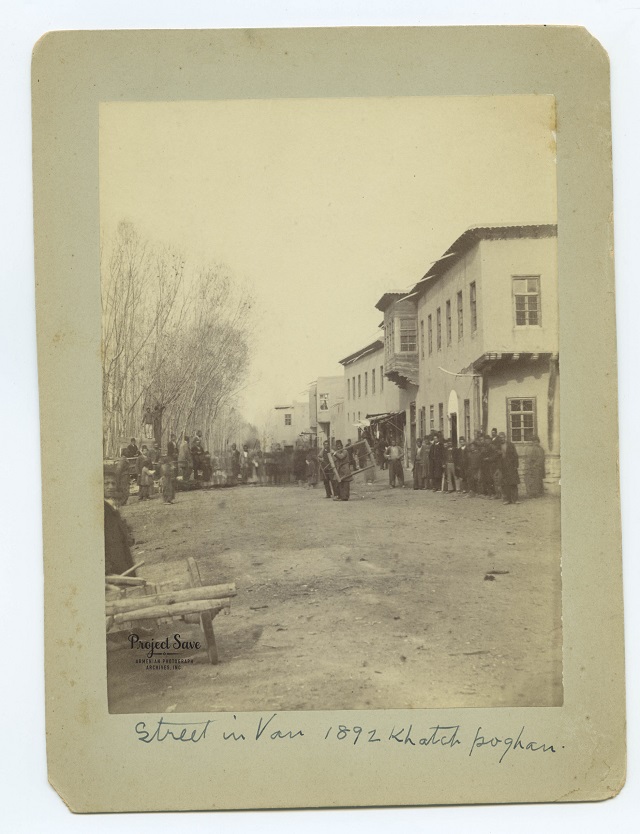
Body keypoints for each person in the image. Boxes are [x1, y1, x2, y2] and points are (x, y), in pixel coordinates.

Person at [499, 432, 520, 504]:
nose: (501, 439)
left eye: (502, 437)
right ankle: (507, 499)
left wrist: (516, 465)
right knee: (505, 484)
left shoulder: (511, 445)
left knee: (513, 483)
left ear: (505, 437)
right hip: (503, 467)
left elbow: (515, 455)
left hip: (511, 466)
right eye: (500, 438)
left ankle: (515, 499)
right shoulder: (498, 446)